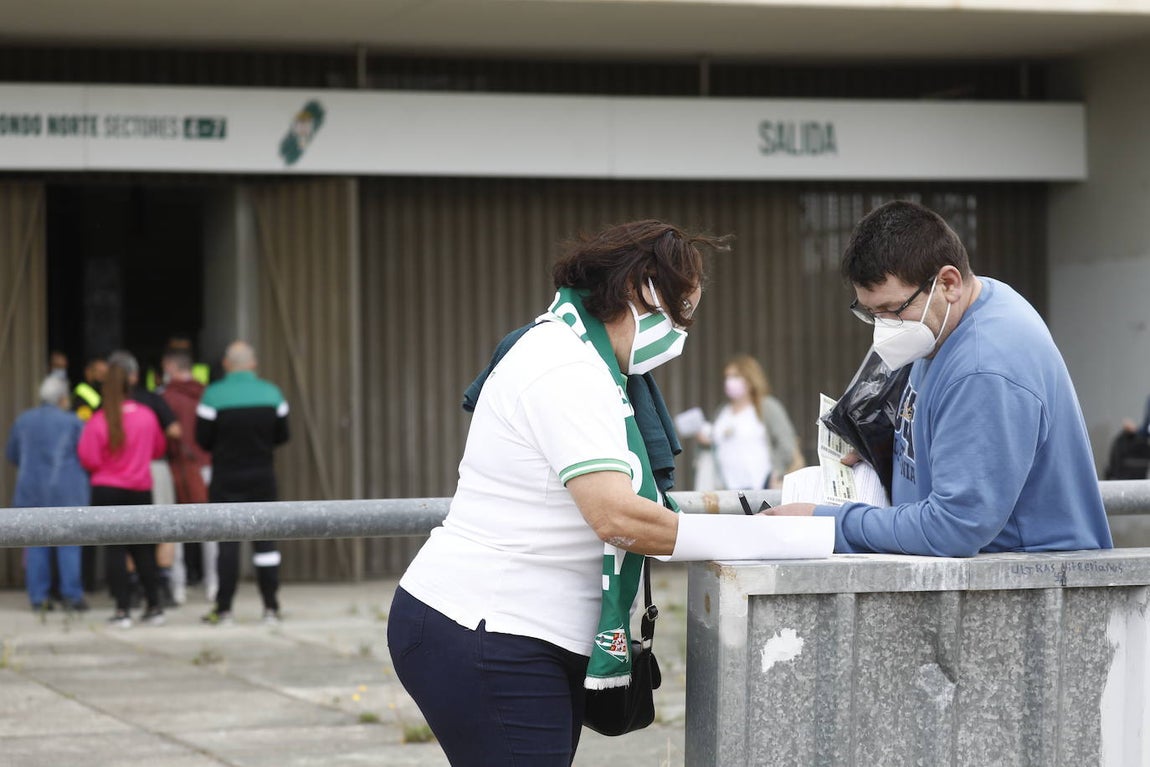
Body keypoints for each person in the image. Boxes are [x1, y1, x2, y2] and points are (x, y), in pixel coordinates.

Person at [388, 220, 822, 766]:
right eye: (682, 310)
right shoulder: (565, 367)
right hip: (488, 631)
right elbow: (617, 516)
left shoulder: (579, 355)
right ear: (642, 288)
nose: (684, 329)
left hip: (516, 636)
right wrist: (766, 537)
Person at [768, 200, 1113, 556]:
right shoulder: (959, 316)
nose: (884, 326)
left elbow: (954, 526)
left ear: (948, 283)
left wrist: (830, 523)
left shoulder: (985, 365)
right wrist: (884, 449)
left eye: (892, 310)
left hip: (1028, 590)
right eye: (871, 314)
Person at [195, 340, 290, 625]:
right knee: (266, 547)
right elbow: (283, 435)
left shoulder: (213, 395)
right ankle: (271, 608)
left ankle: (224, 610)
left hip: (226, 478)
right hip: (262, 476)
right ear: (253, 364)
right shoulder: (272, 394)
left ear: (226, 364)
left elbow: (203, 440)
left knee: (227, 546)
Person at [78, 351, 169, 627]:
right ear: (131, 383)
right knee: (144, 549)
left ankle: (122, 610)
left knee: (115, 551)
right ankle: (154, 606)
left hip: (107, 488)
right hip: (140, 488)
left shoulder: (99, 420)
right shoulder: (147, 416)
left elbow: (88, 458)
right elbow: (158, 449)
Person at [5, 375, 90, 612]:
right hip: (66, 492)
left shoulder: (23, 421)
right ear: (63, 399)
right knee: (69, 543)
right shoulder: (73, 422)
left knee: (35, 544)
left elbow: (11, 453)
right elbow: (87, 455)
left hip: (31, 491)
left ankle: (38, 598)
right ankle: (72, 596)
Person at [696, 354, 802, 490]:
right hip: (726, 488)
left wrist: (776, 471)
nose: (729, 381)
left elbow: (787, 443)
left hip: (760, 486)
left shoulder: (767, 406)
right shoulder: (722, 411)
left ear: (750, 379)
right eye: (727, 377)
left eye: (735, 376)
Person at [159, 346, 212, 605]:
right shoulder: (207, 394)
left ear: (171, 367)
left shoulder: (167, 397)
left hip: (179, 467)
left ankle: (177, 587)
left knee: (176, 527)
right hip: (207, 466)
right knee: (213, 527)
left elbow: (165, 438)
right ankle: (214, 585)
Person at [72, 356, 107, 422]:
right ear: (88, 372)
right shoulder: (82, 392)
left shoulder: (108, 391)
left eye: (105, 374)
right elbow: (82, 420)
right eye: (99, 372)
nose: (103, 377)